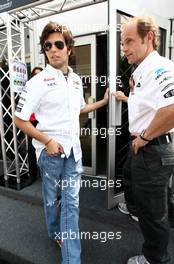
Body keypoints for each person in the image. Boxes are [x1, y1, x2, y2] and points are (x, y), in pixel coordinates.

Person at [14, 22, 108, 264]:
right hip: (51, 154)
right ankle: (55, 231)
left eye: (58, 44)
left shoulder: (76, 80)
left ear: (69, 49)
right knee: (51, 200)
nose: (53, 50)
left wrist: (103, 102)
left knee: (71, 205)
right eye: (48, 46)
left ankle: (71, 259)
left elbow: (80, 109)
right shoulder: (37, 82)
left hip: (73, 153)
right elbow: (19, 119)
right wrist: (47, 141)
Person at [116, 16, 174, 264]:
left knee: (154, 215)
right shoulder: (142, 71)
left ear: (148, 37)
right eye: (122, 43)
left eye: (129, 41)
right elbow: (150, 108)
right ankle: (137, 211)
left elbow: (173, 109)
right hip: (145, 148)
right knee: (136, 190)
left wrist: (143, 138)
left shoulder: (159, 67)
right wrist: (125, 97)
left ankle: (155, 259)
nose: (125, 48)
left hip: (151, 148)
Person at [113, 91, 138, 222]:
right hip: (138, 138)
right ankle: (133, 207)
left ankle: (135, 210)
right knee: (129, 171)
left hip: (143, 139)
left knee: (134, 175)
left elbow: (143, 106)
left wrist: (124, 98)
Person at [27, 66, 43, 185]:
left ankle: (46, 175)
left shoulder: (48, 88)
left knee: (46, 149)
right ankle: (32, 175)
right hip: (31, 122)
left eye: (40, 74)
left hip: (44, 122)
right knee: (31, 149)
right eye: (35, 75)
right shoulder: (28, 88)